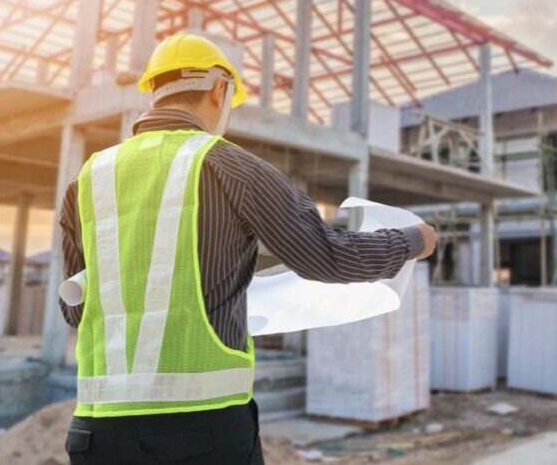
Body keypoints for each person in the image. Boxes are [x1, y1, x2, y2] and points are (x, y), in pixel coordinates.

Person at [58, 33, 438, 464]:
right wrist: (412, 240)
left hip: (95, 435)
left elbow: (75, 309)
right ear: (220, 89)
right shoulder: (232, 167)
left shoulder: (86, 181)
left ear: (155, 92)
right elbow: (330, 256)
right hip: (200, 434)